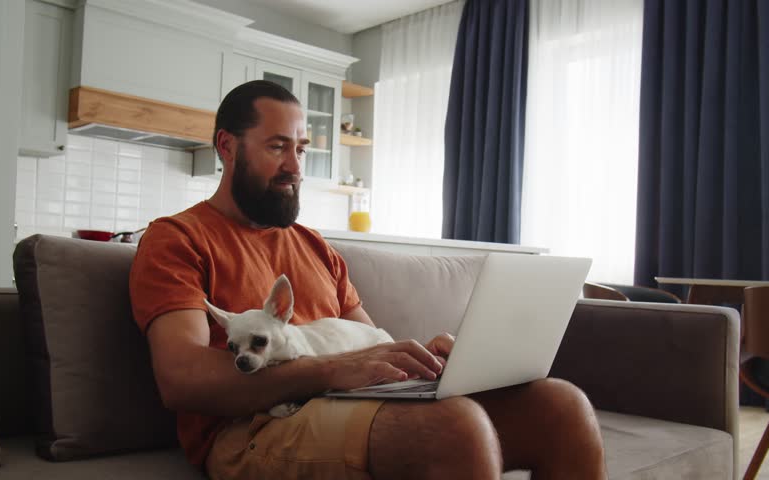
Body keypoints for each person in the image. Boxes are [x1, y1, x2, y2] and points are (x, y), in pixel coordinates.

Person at [129, 80, 607, 480]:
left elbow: (369, 347)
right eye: (278, 147)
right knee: (454, 428)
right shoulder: (178, 239)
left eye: (300, 148)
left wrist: (428, 363)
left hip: (339, 403)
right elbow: (181, 380)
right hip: (250, 427)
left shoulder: (315, 246)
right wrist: (337, 368)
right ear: (228, 147)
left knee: (561, 407)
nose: (296, 167)